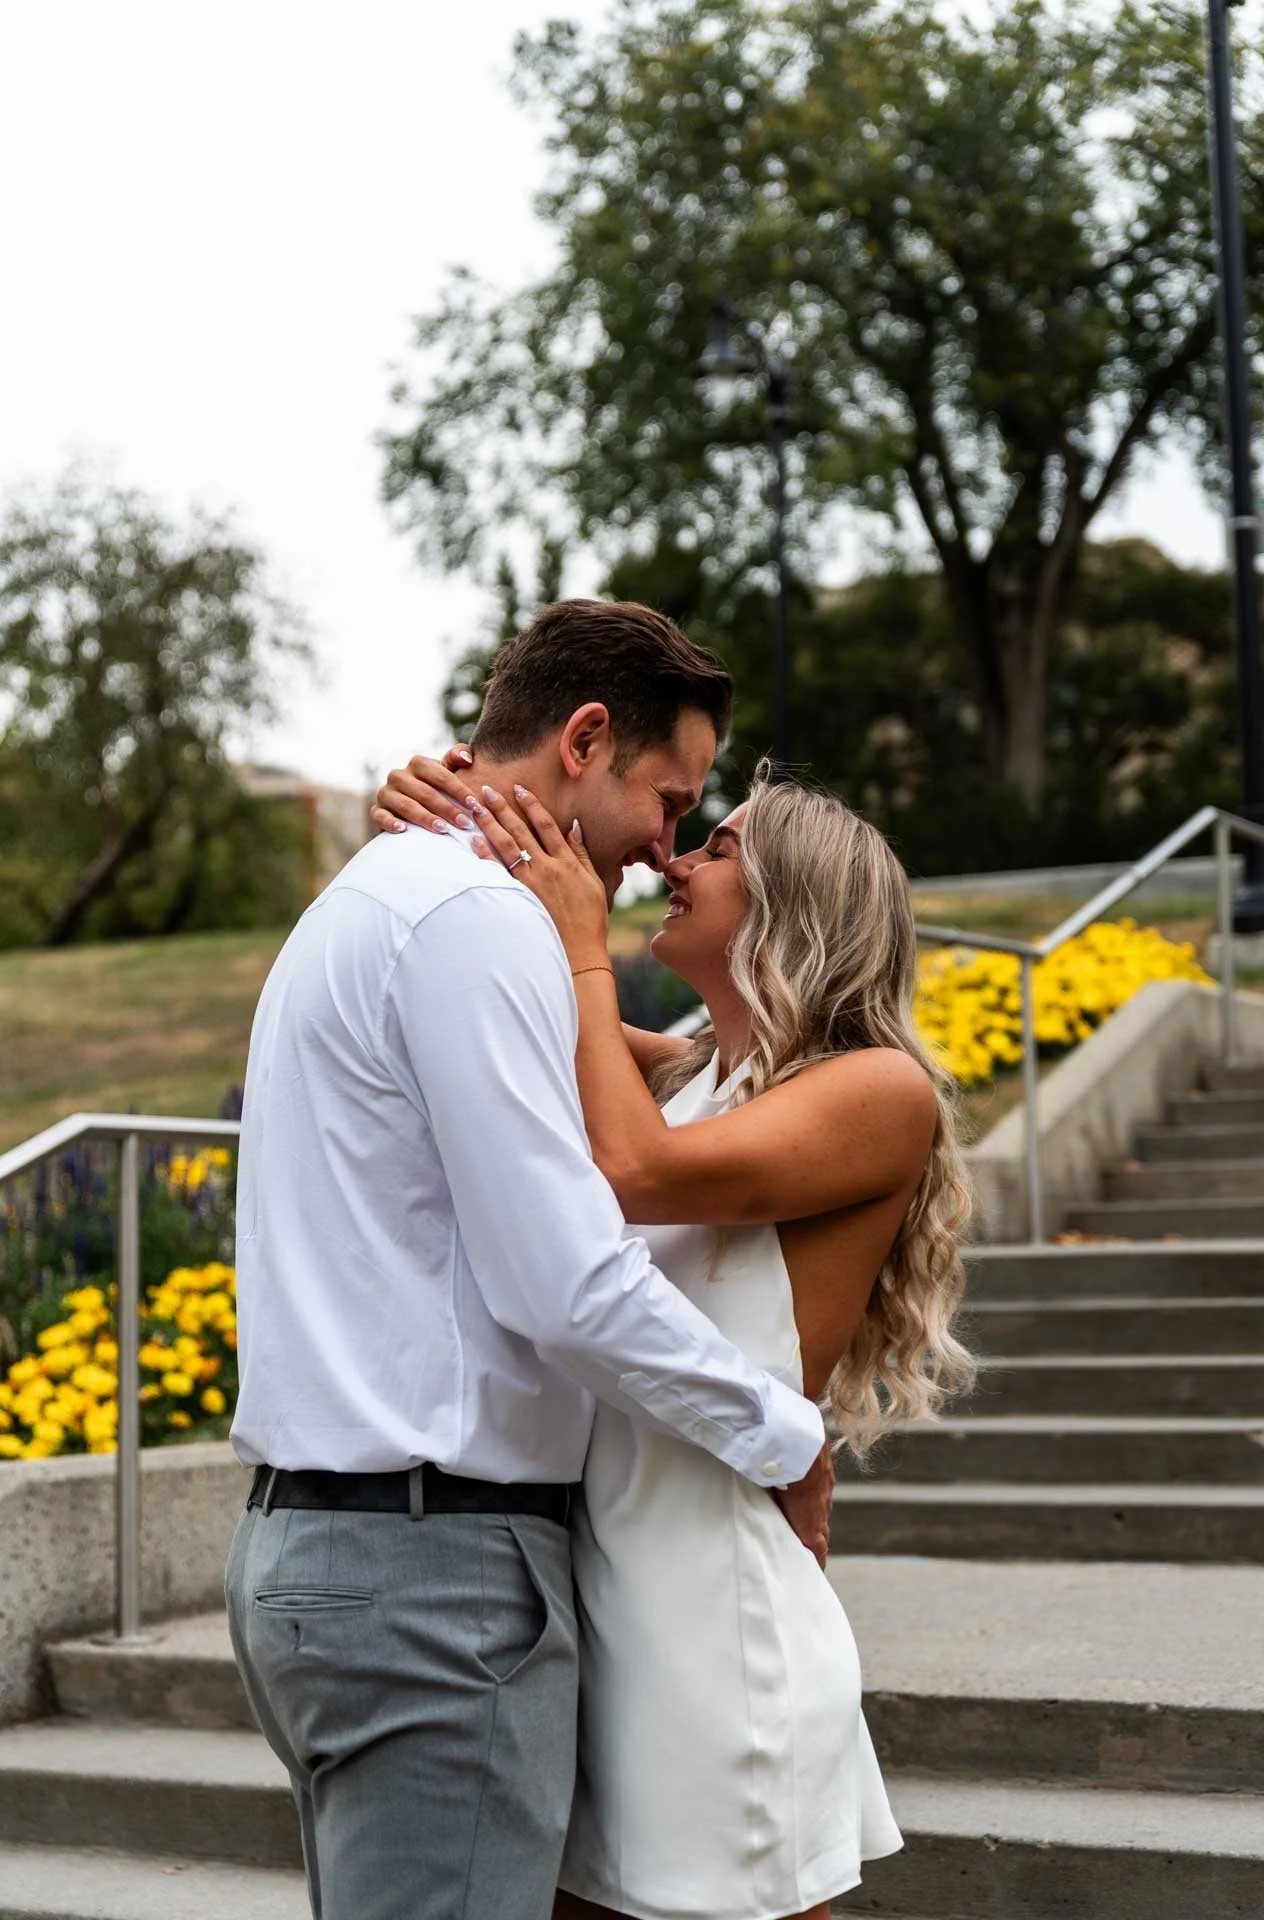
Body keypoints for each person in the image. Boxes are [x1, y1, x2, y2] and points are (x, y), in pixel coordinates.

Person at [224, 600, 835, 1920]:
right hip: (428, 1580)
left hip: (330, 1554)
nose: (659, 849)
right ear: (584, 739)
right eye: (666, 801)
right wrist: (784, 1436)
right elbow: (563, 1280)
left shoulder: (383, 892)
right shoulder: (468, 920)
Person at [371, 745, 975, 1920]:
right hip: (599, 1608)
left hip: (715, 1627)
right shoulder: (700, 1074)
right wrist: (423, 812)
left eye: (716, 844)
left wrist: (588, 941)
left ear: (799, 900)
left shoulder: (875, 1090)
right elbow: (524, 1018)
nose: (674, 855)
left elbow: (625, 1168)